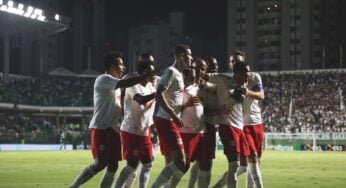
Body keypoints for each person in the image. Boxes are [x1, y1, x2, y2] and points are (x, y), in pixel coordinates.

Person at [69, 51, 155, 188]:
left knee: (113, 166)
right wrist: (145, 75)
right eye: (121, 64)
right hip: (101, 127)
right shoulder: (103, 79)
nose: (124, 67)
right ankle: (73, 186)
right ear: (112, 66)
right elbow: (126, 83)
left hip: (113, 129)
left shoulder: (115, 84)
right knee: (100, 164)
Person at [213, 51, 264, 188]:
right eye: (232, 61)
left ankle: (218, 185)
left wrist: (248, 92)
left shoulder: (254, 77)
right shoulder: (228, 81)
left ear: (244, 60)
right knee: (251, 157)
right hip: (241, 124)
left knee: (249, 164)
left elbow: (261, 95)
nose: (234, 63)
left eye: (237, 60)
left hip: (256, 121)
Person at [151, 44, 193, 188]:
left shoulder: (179, 75)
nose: (191, 58)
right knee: (181, 162)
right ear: (181, 56)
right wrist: (174, 115)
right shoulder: (171, 72)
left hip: (169, 120)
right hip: (165, 120)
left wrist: (184, 107)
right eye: (189, 55)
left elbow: (172, 101)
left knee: (172, 162)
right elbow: (158, 94)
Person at [114, 60, 157, 188]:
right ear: (144, 72)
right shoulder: (133, 85)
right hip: (131, 130)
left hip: (144, 131)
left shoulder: (151, 86)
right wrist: (157, 94)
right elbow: (141, 100)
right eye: (151, 72)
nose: (154, 75)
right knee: (132, 165)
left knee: (148, 163)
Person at [187, 58, 216, 188]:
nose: (199, 72)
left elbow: (211, 110)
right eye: (196, 68)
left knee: (205, 164)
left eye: (202, 69)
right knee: (181, 164)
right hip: (188, 128)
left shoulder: (210, 88)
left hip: (207, 128)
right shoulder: (185, 85)